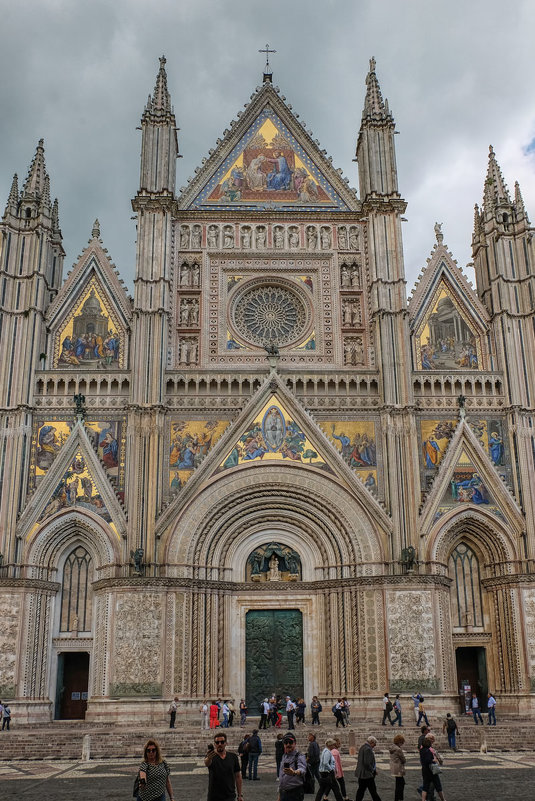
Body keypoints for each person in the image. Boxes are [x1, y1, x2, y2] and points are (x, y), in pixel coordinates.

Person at [205, 732, 242, 801]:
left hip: (230, 796)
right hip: (214, 796)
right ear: (214, 744)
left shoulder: (233, 757)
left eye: (222, 742)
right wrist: (209, 758)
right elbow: (207, 763)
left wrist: (240, 795)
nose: (219, 744)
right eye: (217, 742)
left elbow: (238, 776)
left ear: (226, 743)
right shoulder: (211, 756)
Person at [278, 731, 307, 801]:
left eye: (290, 742)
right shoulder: (284, 756)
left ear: (295, 743)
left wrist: (294, 772)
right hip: (283, 792)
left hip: (294, 793)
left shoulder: (299, 756)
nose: (288, 744)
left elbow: (302, 769)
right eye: (286, 742)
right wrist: (279, 795)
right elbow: (281, 775)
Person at [355, 736, 382, 801]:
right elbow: (367, 763)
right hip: (367, 774)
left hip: (361, 773)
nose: (374, 746)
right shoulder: (368, 749)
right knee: (373, 791)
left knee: (361, 790)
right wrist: (373, 770)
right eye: (374, 744)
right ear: (371, 742)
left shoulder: (362, 747)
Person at [388, 734, 406, 801]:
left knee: (398, 783)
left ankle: (398, 798)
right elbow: (403, 759)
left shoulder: (392, 748)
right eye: (402, 742)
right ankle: (399, 798)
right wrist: (404, 761)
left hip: (394, 767)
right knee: (401, 784)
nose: (402, 744)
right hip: (398, 768)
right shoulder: (398, 749)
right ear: (399, 741)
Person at [332, 736, 349, 801]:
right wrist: (336, 771)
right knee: (341, 783)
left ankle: (325, 796)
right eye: (339, 743)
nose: (340, 744)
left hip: (336, 771)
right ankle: (345, 797)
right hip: (337, 772)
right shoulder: (335, 752)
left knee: (329, 785)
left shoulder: (334, 751)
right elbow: (335, 763)